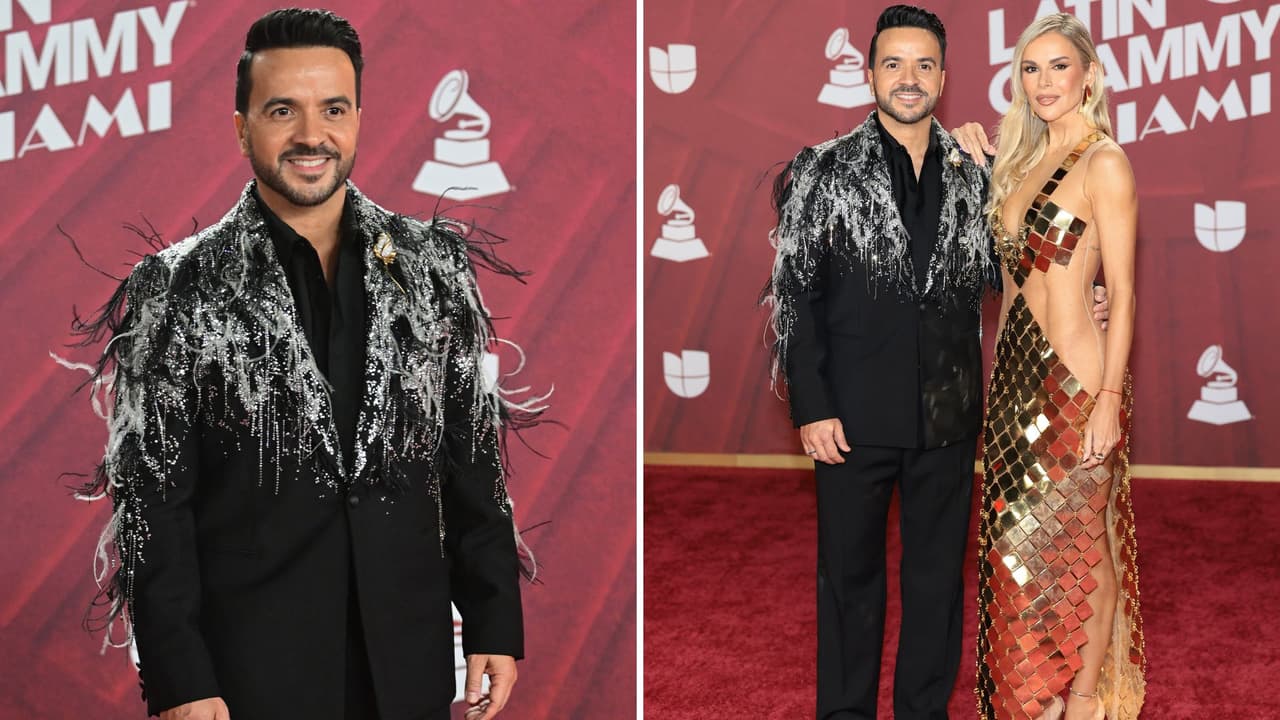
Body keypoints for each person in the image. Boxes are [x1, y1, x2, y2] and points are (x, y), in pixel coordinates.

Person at [69, 9, 540, 720]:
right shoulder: (176, 288)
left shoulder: (432, 268)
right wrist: (182, 678)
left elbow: (473, 464)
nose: (310, 135)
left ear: (358, 119)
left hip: (405, 667)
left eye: (333, 109)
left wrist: (493, 621)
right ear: (241, 126)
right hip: (249, 675)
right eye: (282, 110)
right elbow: (153, 507)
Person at [766, 6, 997, 718]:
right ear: (868, 74)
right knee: (850, 583)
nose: (909, 78)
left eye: (924, 65)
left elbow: (1020, 271)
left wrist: (1090, 307)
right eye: (893, 63)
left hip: (948, 417)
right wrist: (811, 404)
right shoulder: (821, 171)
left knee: (936, 584)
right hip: (851, 421)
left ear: (944, 78)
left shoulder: (976, 174)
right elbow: (794, 298)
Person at [957, 12, 1145, 720]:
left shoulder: (1105, 162)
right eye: (1030, 69)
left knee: (1081, 548)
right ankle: (1031, 697)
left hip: (1076, 384)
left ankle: (1088, 701)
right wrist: (975, 159)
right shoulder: (1016, 161)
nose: (1043, 82)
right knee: (1014, 549)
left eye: (1059, 66)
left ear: (1089, 75)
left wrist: (1107, 396)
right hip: (1012, 387)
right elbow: (1003, 278)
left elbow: (1122, 293)